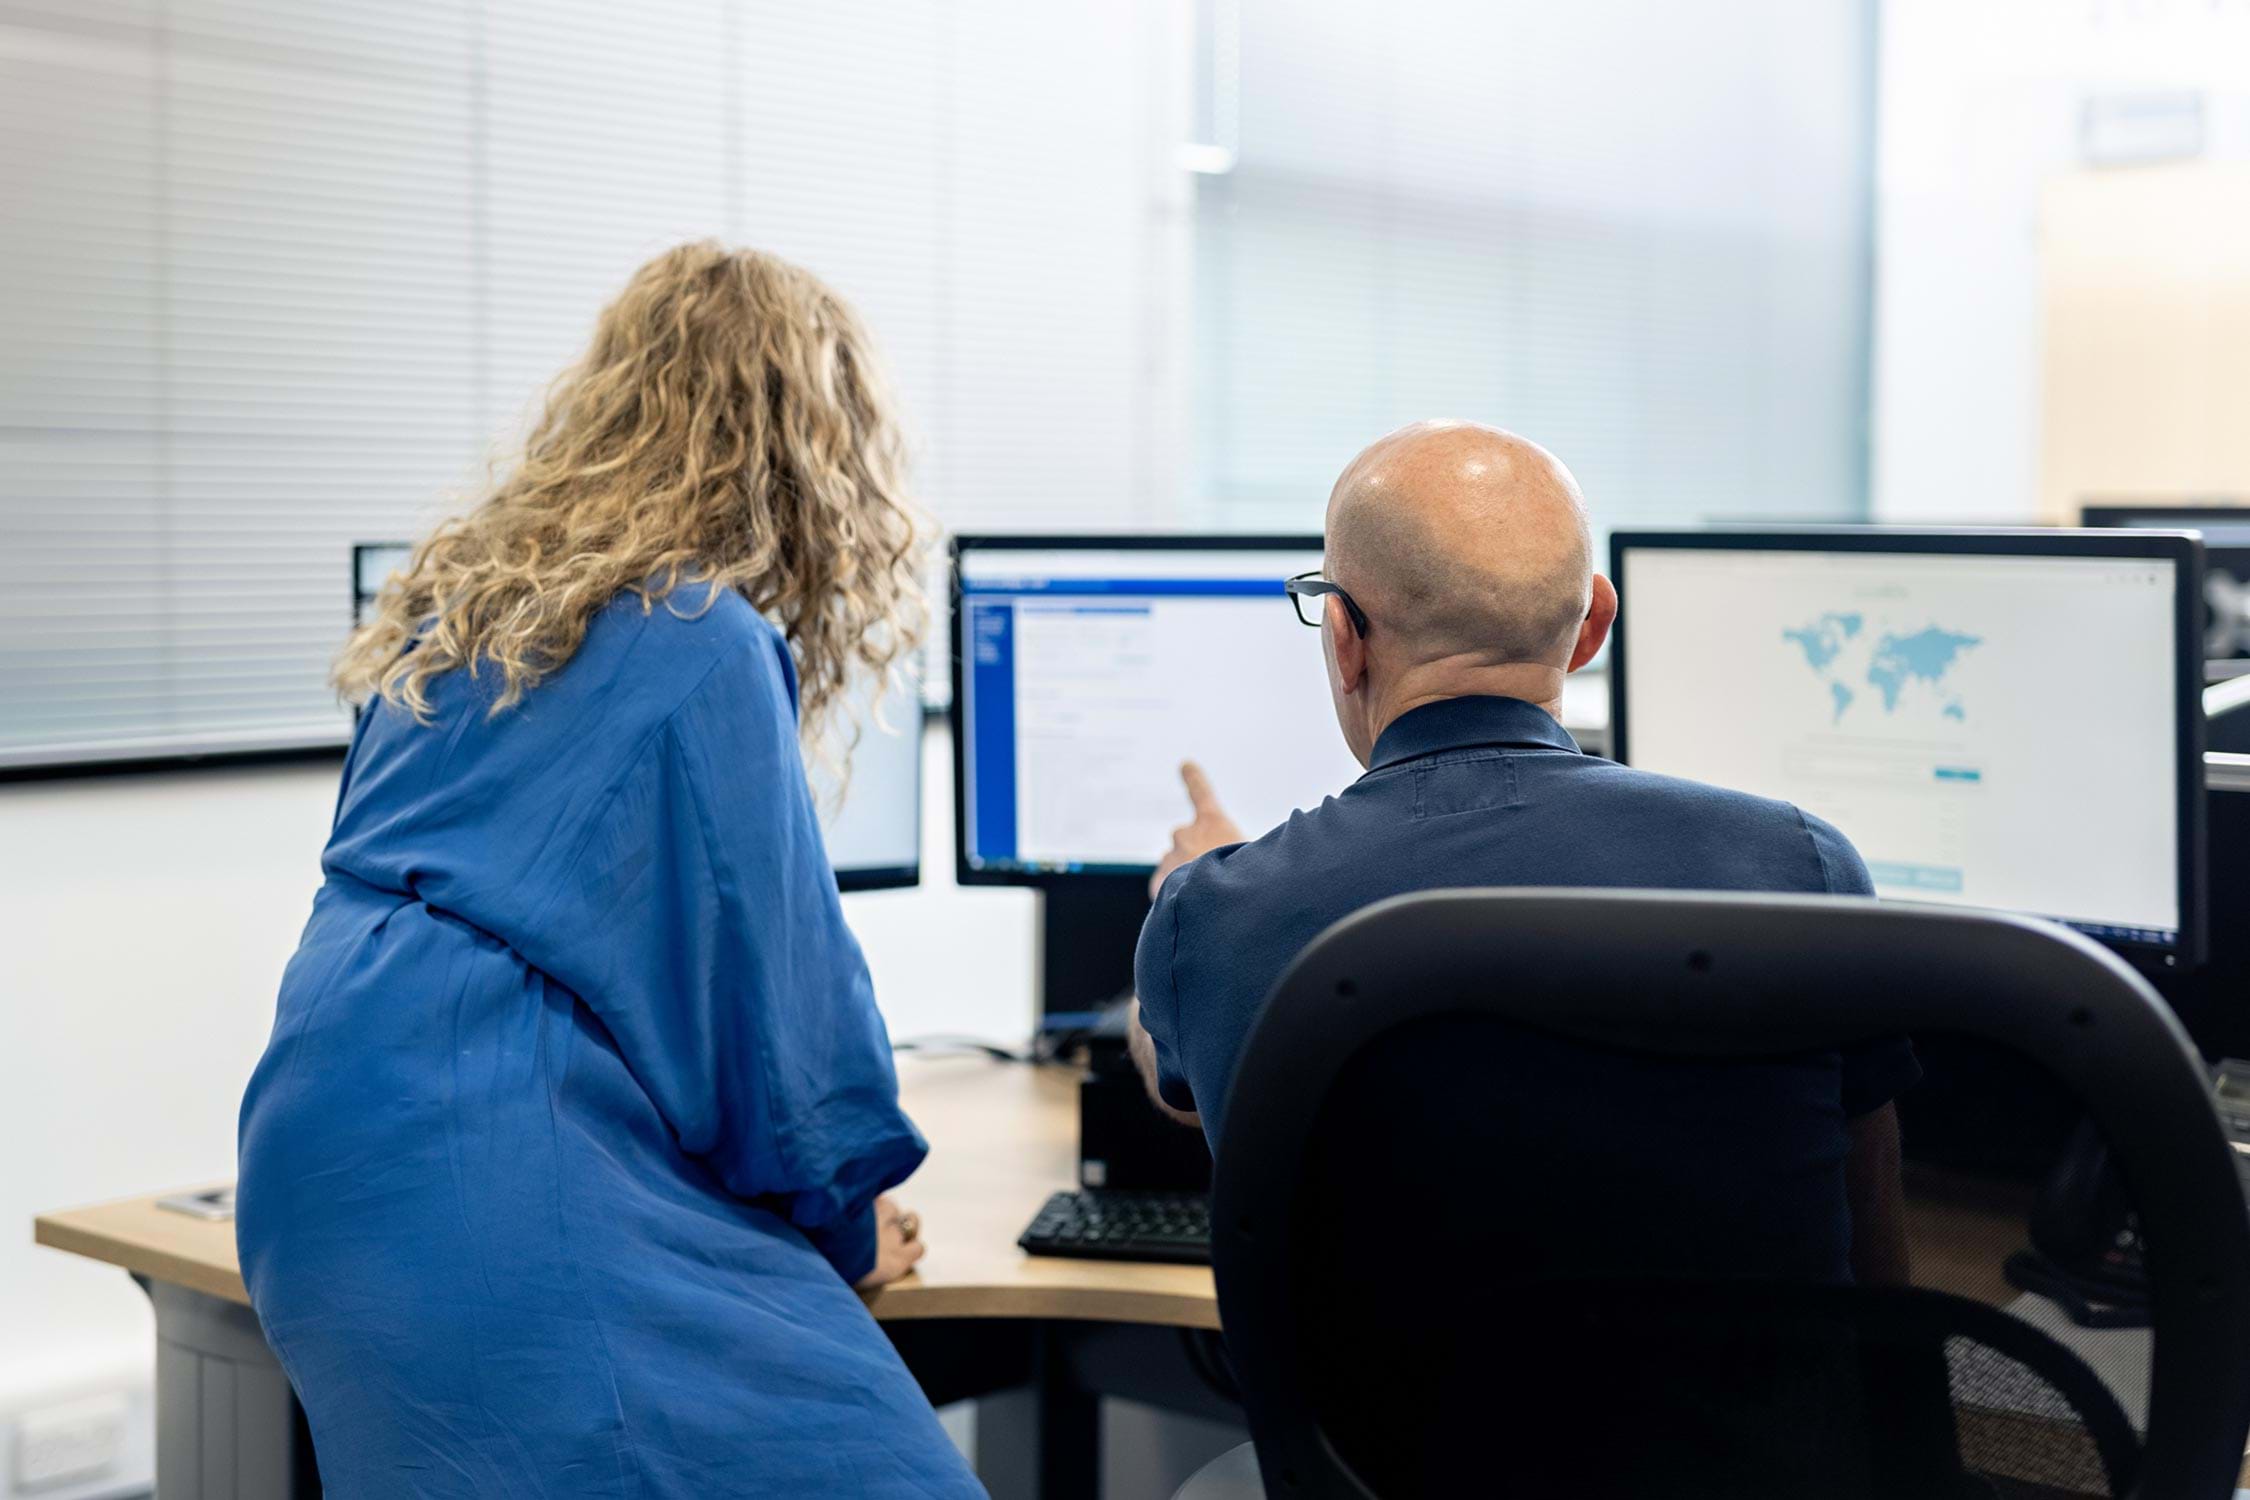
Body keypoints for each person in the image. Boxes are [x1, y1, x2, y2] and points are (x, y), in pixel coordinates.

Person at [236, 244, 982, 1497]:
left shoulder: (461, 610)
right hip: (504, 1190)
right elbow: (780, 1028)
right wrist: (850, 1225)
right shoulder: (707, 639)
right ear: (813, 454)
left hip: (319, 1162)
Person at [1128, 419, 1917, 1288]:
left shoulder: (1223, 913)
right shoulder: (1802, 869)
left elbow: (1187, 1084)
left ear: (1345, 639)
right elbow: (1876, 1276)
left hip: (1379, 1432)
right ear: (1593, 627)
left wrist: (1184, 896)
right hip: (1753, 1428)